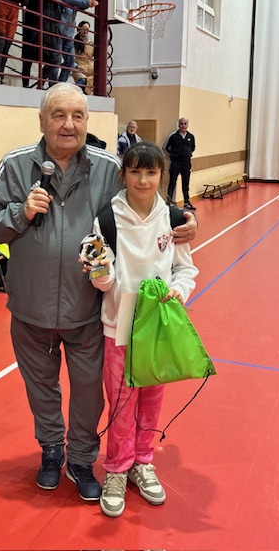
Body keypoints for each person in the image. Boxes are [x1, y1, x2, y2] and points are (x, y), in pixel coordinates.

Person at [0, 83, 197, 502]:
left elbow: (145, 203)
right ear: (41, 121)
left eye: (78, 116)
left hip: (89, 310)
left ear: (87, 122)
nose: (68, 124)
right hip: (30, 308)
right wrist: (21, 212)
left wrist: (183, 220)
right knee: (41, 389)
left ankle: (81, 459)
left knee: (87, 393)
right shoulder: (15, 164)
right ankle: (50, 451)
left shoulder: (107, 167)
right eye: (58, 115)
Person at [84, 141, 198, 518]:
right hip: (119, 327)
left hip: (158, 327)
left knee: (151, 400)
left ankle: (142, 462)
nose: (143, 180)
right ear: (123, 175)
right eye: (135, 171)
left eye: (151, 172)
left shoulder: (174, 219)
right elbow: (103, 280)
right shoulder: (107, 219)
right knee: (121, 402)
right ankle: (117, 468)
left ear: (161, 175)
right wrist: (99, 272)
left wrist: (178, 291)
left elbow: (185, 269)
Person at [21, 0, 62, 88]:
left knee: (54, 59)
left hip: (50, 25)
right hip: (36, 24)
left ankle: (41, 86)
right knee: (30, 56)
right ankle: (26, 85)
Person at [57, 0, 98, 83]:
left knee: (69, 62)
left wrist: (88, 2)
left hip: (69, 29)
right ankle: (50, 85)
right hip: (58, 26)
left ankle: (61, 85)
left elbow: (82, 2)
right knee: (55, 60)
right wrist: (86, 3)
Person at [163, 117, 197, 210]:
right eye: (181, 124)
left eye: (185, 124)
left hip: (186, 163)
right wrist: (172, 156)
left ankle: (186, 201)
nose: (183, 125)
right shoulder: (173, 136)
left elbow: (193, 148)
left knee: (185, 183)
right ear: (179, 125)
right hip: (176, 162)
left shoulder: (191, 137)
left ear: (187, 125)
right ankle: (169, 201)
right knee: (172, 182)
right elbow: (165, 148)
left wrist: (186, 154)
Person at [72, 20, 94, 94]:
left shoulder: (91, 43)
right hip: (79, 70)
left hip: (90, 71)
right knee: (82, 81)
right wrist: (76, 66)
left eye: (87, 29)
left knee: (87, 88)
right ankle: (73, 93)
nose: (85, 31)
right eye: (83, 29)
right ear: (79, 29)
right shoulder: (74, 42)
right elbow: (70, 56)